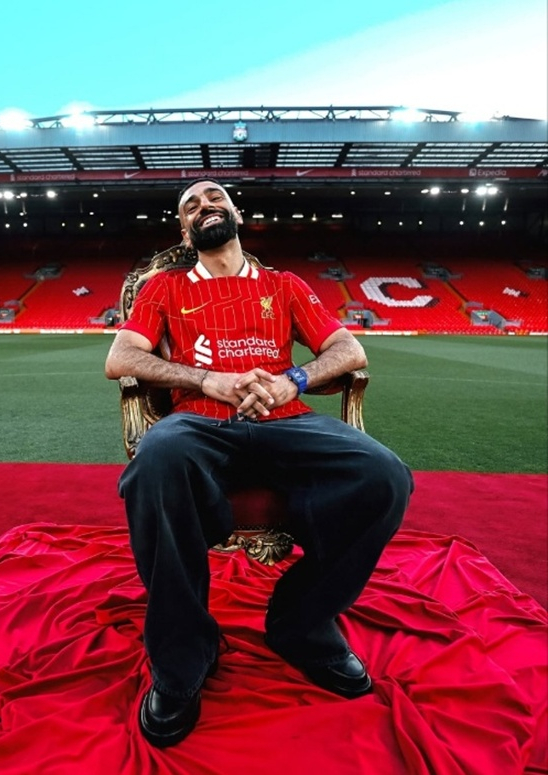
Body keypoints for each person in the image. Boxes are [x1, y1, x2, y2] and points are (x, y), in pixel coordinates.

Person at [104, 179, 413, 748]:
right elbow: (120, 357)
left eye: (214, 198)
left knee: (385, 476)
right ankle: (183, 656)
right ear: (184, 231)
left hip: (285, 419)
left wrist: (291, 380)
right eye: (191, 206)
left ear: (236, 214)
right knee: (155, 459)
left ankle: (302, 623)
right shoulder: (164, 288)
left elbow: (349, 350)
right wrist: (208, 380)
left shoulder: (285, 284)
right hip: (199, 423)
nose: (204, 206)